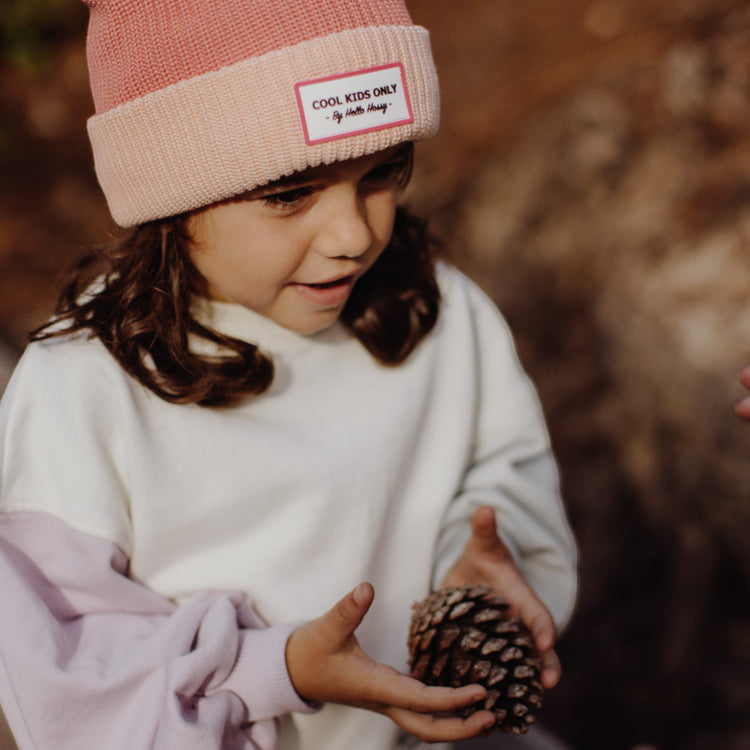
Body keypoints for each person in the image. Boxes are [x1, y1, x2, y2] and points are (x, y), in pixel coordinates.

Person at [0, 1, 577, 749]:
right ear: (168, 199)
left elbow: (504, 466)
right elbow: (66, 678)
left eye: (383, 172)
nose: (354, 234)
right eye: (288, 193)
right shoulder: (81, 387)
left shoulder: (439, 311)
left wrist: (472, 568)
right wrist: (279, 671)